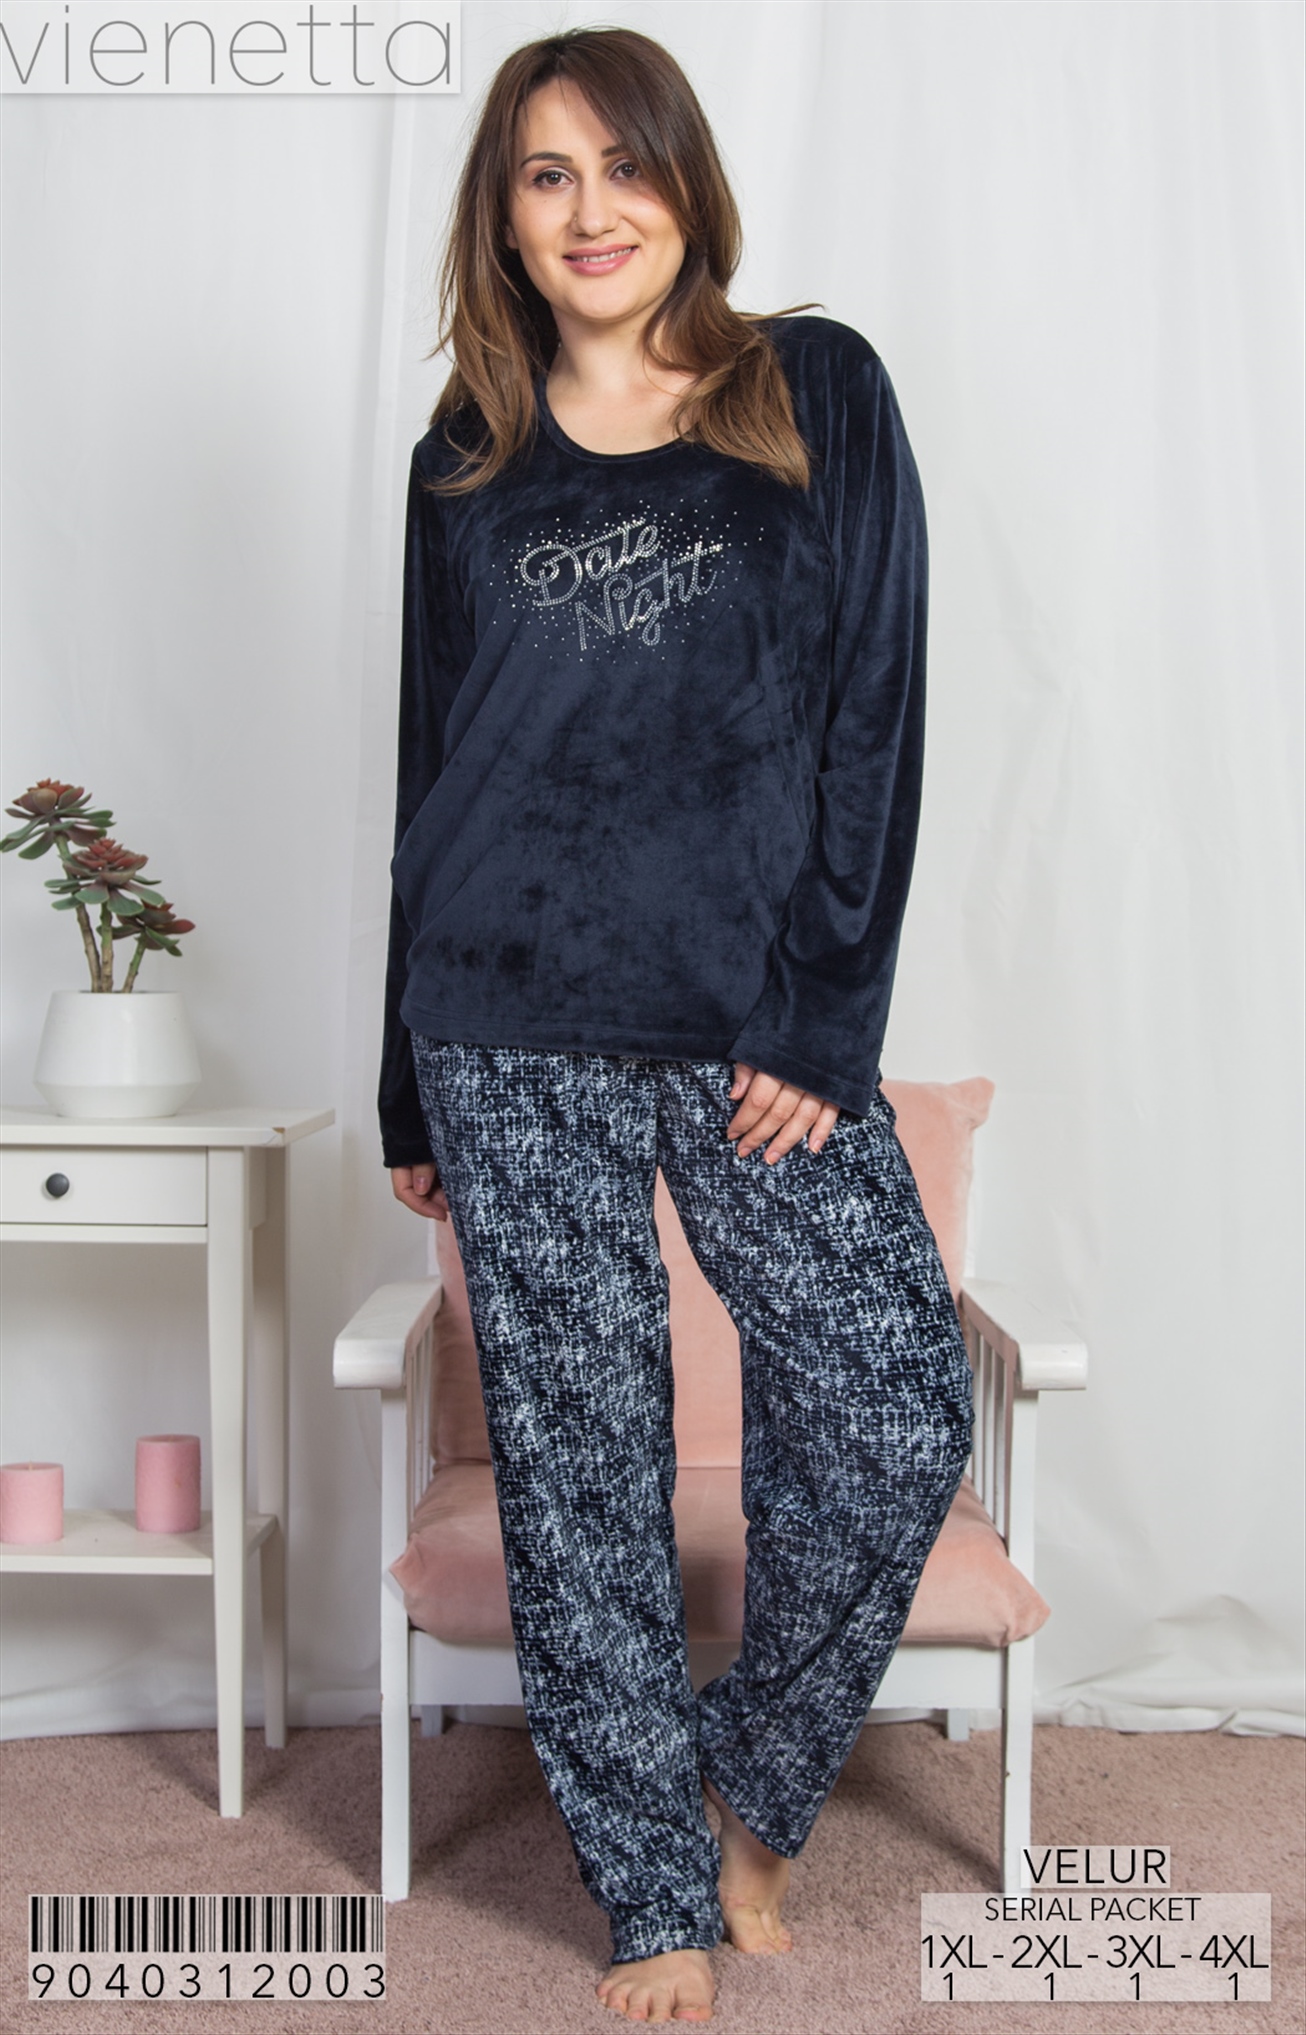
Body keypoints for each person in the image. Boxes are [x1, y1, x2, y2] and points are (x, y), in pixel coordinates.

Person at [379, 27, 973, 2025]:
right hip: (503, 1018)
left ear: (685, 184)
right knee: (577, 1473)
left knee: (890, 1414)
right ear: (503, 216)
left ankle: (746, 1795)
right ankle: (647, 1891)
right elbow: (428, 771)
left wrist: (822, 1018)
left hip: (747, 1026)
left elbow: (872, 714)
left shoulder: (812, 389)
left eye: (619, 166)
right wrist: (403, 1087)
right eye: (543, 176)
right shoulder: (463, 453)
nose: (588, 211)